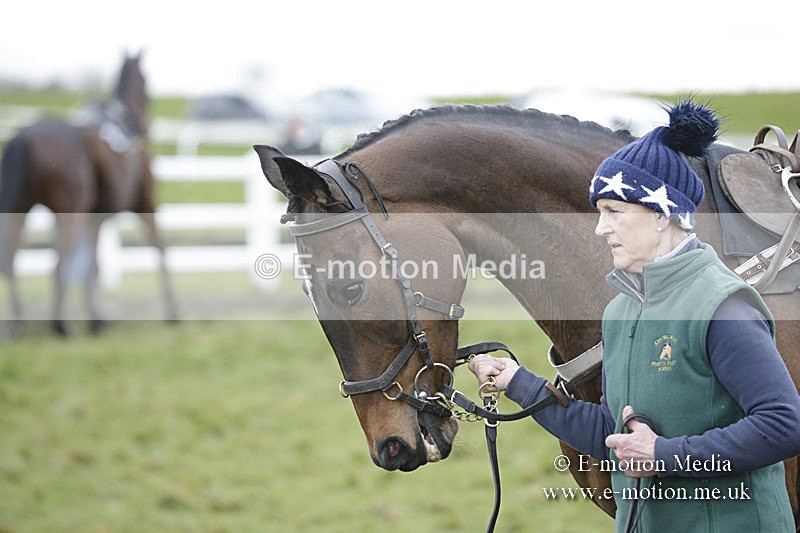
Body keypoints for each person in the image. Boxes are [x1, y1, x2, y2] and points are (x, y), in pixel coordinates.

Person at [468, 101, 800, 532]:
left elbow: (783, 425)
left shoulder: (722, 306)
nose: (600, 228)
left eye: (613, 212)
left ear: (662, 216)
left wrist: (663, 455)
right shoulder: (622, 310)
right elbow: (613, 435)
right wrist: (518, 383)